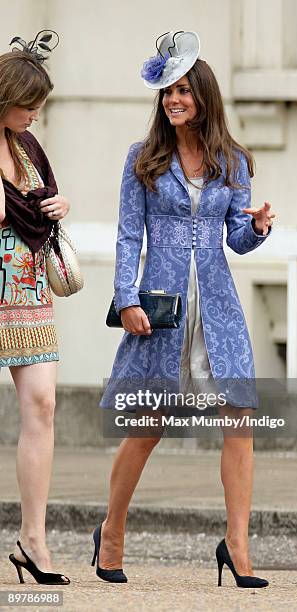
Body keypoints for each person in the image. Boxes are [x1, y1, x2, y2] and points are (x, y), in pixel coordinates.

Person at [96, 31, 275, 588]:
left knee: (239, 422)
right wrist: (125, 297)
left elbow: (237, 239)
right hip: (163, 308)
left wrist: (259, 228)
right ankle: (111, 534)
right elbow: (129, 237)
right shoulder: (142, 158)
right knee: (149, 425)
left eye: (183, 92)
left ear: (203, 96)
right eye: (167, 93)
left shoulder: (233, 160)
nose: (174, 101)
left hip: (217, 308)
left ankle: (237, 545)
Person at [0, 31, 70, 585]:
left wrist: (59, 203)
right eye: (32, 106)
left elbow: (37, 203)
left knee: (43, 404)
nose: (37, 117)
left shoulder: (25, 147)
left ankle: (32, 541)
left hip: (27, 288)